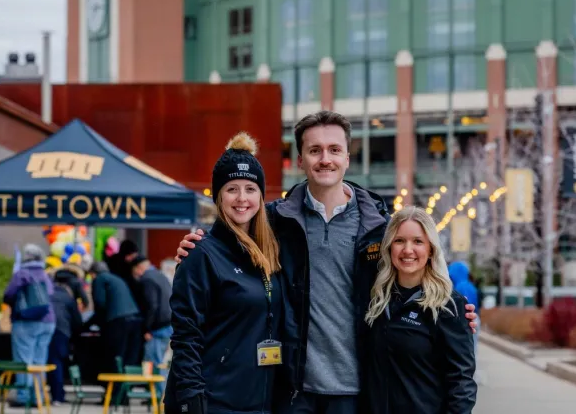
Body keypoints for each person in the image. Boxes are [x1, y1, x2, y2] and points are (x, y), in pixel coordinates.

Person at [176, 111, 477, 414]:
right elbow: (231, 239)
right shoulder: (274, 221)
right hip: (292, 392)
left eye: (334, 150)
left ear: (347, 157)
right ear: (300, 160)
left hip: (359, 392)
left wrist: (454, 315)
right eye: (314, 150)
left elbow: (412, 276)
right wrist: (197, 247)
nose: (325, 159)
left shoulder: (380, 228)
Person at [164, 132, 297, 414]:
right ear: (219, 196)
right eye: (231, 189)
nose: (241, 198)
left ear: (261, 196)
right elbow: (186, 336)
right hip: (216, 400)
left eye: (250, 189)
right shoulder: (201, 255)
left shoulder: (271, 252)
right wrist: (191, 399)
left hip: (260, 400)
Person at [363, 206, 477, 413]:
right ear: (389, 247)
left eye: (418, 241)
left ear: (431, 249)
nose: (408, 250)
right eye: (399, 241)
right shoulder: (375, 301)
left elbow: (461, 381)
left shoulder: (448, 305)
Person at [3, 244, 56, 407]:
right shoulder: (45, 275)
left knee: (24, 360)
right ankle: (38, 396)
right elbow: (51, 294)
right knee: (39, 360)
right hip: (48, 321)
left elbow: (8, 295)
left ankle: (23, 396)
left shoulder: (22, 273)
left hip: (26, 321)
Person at [89, 261, 142, 373]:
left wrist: (93, 322)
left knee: (116, 355)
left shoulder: (100, 279)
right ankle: (126, 386)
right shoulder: (116, 278)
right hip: (135, 319)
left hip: (118, 320)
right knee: (129, 356)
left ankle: (115, 388)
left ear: (93, 273)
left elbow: (100, 302)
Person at [130, 255, 172, 395]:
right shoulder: (161, 276)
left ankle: (160, 399)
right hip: (168, 325)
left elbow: (151, 306)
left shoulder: (147, 279)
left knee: (154, 363)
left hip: (157, 328)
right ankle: (156, 397)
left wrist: (147, 328)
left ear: (138, 268)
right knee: (159, 362)